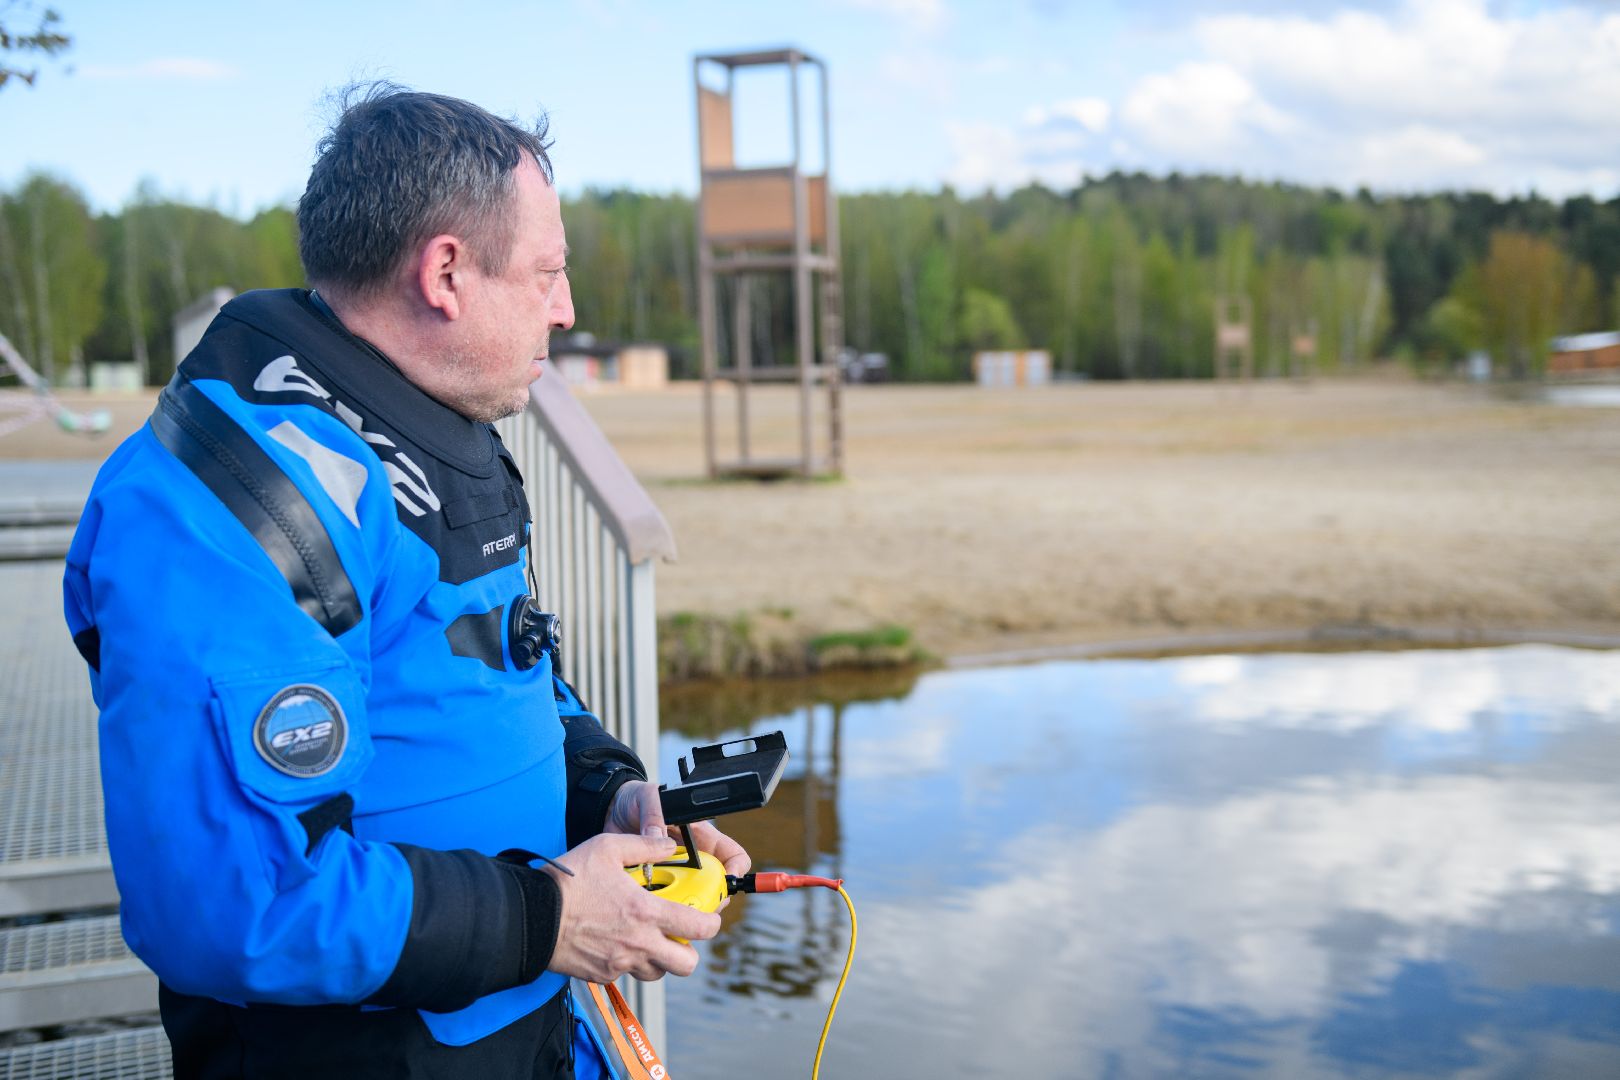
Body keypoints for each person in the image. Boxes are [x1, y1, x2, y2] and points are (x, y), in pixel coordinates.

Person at [62, 83, 748, 1078]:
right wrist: (551, 916)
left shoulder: (418, 429)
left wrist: (609, 795)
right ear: (445, 274)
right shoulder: (231, 511)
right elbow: (237, 906)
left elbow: (495, 663)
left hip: (522, 1020)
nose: (566, 308)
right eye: (548, 274)